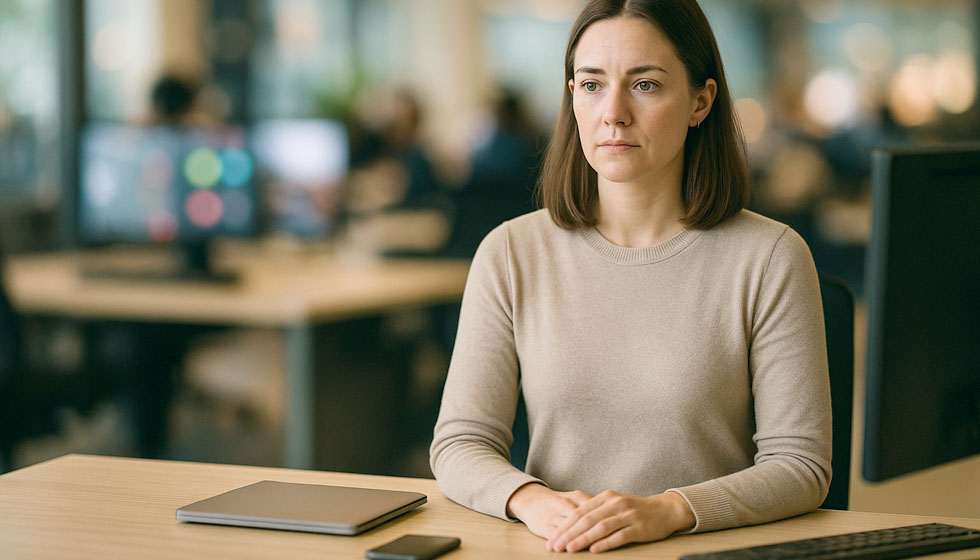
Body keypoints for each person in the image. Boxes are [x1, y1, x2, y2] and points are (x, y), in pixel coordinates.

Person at [429, 0, 831, 554]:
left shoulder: (770, 257)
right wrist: (533, 501)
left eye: (644, 85)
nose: (612, 113)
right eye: (591, 85)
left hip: (705, 551)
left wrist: (668, 511)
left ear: (700, 101)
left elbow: (801, 466)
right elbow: (460, 444)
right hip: (559, 547)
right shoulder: (510, 252)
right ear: (572, 97)